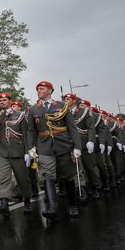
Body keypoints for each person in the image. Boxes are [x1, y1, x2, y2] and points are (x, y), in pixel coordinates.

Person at [26, 81, 82, 220]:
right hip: (44, 146)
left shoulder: (62, 106)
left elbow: (72, 127)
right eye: (37, 89)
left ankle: (73, 205)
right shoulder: (33, 109)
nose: (38, 91)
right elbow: (31, 131)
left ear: (50, 90)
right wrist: (30, 148)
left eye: (42, 88)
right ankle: (52, 208)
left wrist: (77, 147)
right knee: (47, 174)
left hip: (62, 144)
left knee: (67, 175)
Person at [0, 93, 33, 215]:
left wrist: (28, 151)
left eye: (4, 100)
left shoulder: (20, 115)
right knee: (4, 178)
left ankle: (27, 200)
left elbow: (26, 133)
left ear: (10, 101)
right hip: (1, 150)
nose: (1, 102)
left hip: (17, 150)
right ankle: (4, 203)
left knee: (22, 177)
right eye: (0, 100)